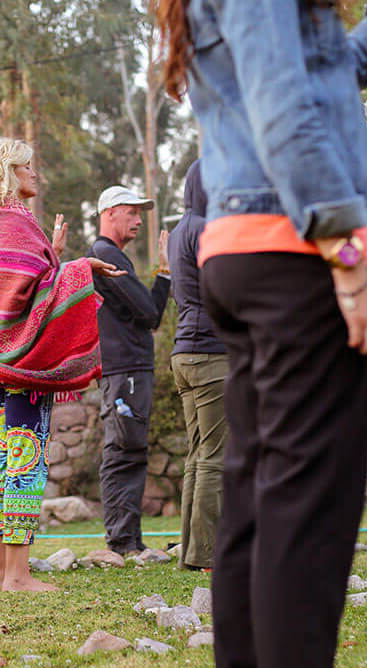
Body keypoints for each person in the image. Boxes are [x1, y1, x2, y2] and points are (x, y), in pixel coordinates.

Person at [152, 0, 367, 668]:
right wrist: (349, 268)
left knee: (260, 505)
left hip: (250, 253)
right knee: (304, 519)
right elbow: (285, 108)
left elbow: (316, 73)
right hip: (298, 258)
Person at [0, 136, 123, 592]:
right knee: (27, 461)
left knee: (7, 460)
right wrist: (81, 266)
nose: (34, 173)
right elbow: (35, 293)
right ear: (8, 171)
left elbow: (16, 287)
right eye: (27, 166)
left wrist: (53, 252)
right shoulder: (13, 220)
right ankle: (18, 575)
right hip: (26, 362)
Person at [86, 186, 170, 557]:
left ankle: (130, 541)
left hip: (129, 369)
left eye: (140, 213)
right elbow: (151, 313)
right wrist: (164, 273)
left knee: (131, 450)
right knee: (122, 450)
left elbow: (145, 311)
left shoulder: (113, 255)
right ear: (110, 213)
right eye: (131, 212)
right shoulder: (105, 255)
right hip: (125, 370)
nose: (138, 220)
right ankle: (121, 542)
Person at [168, 160, 229, 571]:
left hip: (183, 353)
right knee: (216, 455)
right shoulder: (208, 231)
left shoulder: (175, 233)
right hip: (211, 352)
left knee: (197, 452)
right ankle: (207, 554)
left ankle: (192, 551)